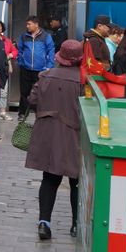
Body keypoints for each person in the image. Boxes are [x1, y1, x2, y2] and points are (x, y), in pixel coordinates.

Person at [26, 40, 84, 240]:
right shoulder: (85, 81)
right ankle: (76, 224)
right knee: (76, 181)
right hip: (74, 137)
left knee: (49, 180)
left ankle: (44, 222)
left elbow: (32, 101)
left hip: (48, 135)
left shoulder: (45, 76)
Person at [16, 16, 56, 122]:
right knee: (24, 92)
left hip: (41, 70)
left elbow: (51, 51)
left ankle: (40, 113)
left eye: (29, 24)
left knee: (41, 92)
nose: (27, 26)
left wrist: (49, 67)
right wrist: (21, 62)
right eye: (27, 24)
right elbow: (19, 50)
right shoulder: (24, 36)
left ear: (36, 24)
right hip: (26, 69)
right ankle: (22, 113)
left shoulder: (46, 36)